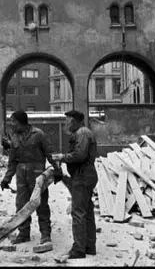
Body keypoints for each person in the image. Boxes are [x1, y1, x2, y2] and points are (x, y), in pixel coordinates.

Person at [0, 110, 61, 244]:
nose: (12, 124)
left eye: (14, 122)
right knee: (21, 205)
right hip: (21, 175)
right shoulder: (14, 137)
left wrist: (58, 169)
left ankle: (45, 233)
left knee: (41, 204)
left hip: (37, 174)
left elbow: (50, 153)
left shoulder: (38, 134)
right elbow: (12, 161)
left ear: (21, 122)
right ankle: (23, 233)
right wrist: (6, 178)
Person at [52, 110, 98, 259]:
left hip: (83, 175)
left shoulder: (82, 133)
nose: (66, 123)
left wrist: (62, 157)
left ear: (75, 121)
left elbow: (79, 155)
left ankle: (78, 249)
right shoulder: (82, 133)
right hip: (85, 175)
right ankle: (89, 246)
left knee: (78, 212)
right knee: (87, 211)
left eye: (68, 120)